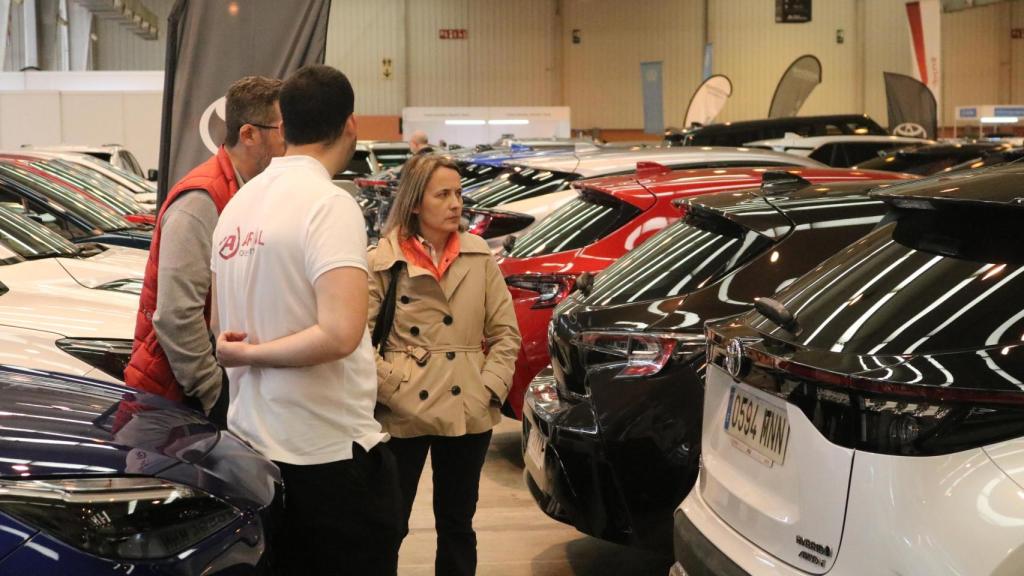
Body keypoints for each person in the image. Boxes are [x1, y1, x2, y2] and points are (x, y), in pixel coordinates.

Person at [210, 64, 401, 575]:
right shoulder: (328, 205)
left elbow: (220, 325)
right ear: (351, 125)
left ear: (285, 126)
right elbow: (340, 333)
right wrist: (250, 354)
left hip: (254, 449)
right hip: (325, 456)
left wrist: (242, 353)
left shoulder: (238, 205)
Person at [368, 154, 521, 576]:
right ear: (416, 203)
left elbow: (506, 334)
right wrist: (394, 386)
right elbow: (358, 339)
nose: (456, 203)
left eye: (458, 193)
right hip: (403, 408)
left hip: (467, 406)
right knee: (390, 525)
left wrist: (489, 386)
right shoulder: (384, 258)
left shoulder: (478, 256)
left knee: (457, 525)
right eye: (443, 194)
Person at [125, 76, 284, 426]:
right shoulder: (201, 200)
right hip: (179, 401)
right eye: (281, 128)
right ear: (248, 134)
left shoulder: (251, 192)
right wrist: (214, 393)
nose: (289, 140)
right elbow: (175, 315)